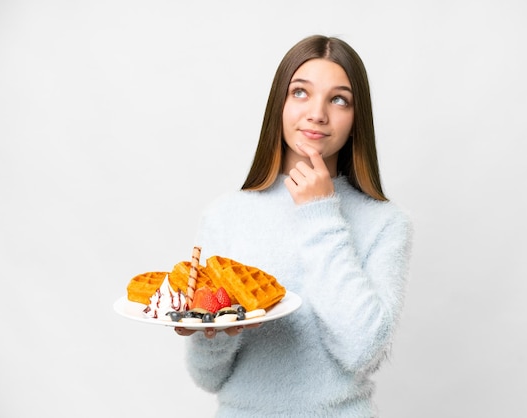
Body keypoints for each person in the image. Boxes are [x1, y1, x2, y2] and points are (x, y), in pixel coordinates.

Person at [175, 34, 412, 417]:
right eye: (301, 92)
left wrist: (319, 213)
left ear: (356, 119)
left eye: (339, 99)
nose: (317, 113)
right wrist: (212, 336)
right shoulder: (226, 215)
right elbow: (208, 377)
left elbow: (361, 350)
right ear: (279, 106)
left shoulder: (386, 223)